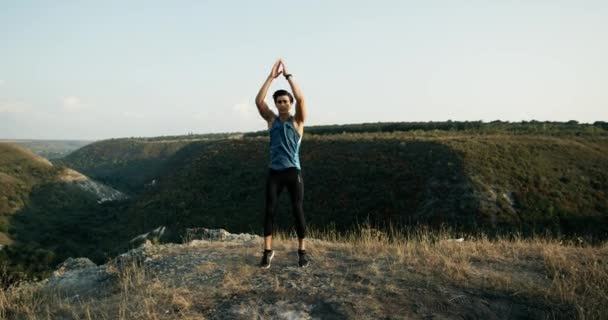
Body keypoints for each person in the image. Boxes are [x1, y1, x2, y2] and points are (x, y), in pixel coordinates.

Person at [255, 58, 309, 268]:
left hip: (293, 172)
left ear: (290, 103)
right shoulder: (271, 120)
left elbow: (302, 99)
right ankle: (268, 251)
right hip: (274, 173)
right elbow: (259, 102)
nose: (282, 104)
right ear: (276, 105)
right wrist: (270, 77)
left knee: (297, 210)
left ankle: (302, 252)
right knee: (269, 210)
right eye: (279, 102)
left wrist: (288, 77)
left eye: (285, 101)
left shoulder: (297, 121)